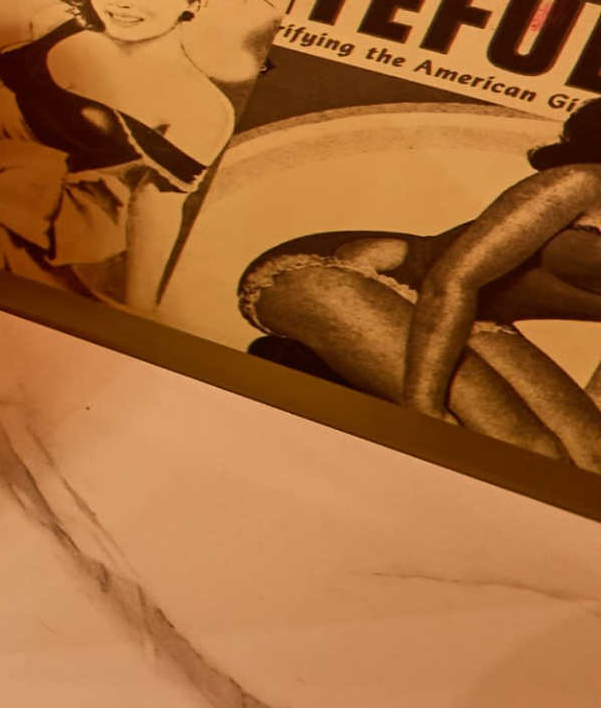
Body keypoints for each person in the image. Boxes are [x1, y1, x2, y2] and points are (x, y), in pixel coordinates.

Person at [241, 116, 601, 471]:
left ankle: (331, 375)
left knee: (590, 461)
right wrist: (424, 406)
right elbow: (452, 283)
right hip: (359, 277)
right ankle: (319, 372)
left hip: (471, 319)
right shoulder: (580, 183)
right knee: (522, 448)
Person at [0, 0, 247, 307]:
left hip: (27, 215)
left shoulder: (202, 108)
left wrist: (140, 308)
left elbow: (156, 211)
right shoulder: (57, 22)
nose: (120, 2)